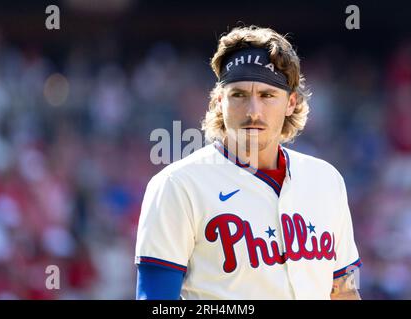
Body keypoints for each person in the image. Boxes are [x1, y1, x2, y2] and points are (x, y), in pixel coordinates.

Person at [135, 25, 362, 299]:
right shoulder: (177, 185)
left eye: (267, 96)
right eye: (239, 95)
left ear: (290, 102)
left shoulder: (326, 180)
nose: (253, 111)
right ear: (220, 101)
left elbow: (344, 292)